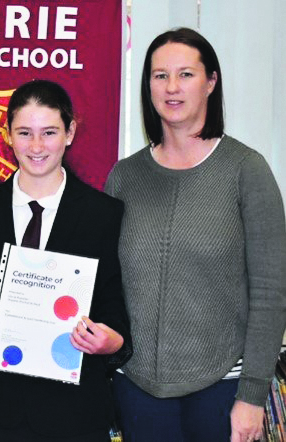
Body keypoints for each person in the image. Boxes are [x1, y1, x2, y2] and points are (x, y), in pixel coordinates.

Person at [104, 27, 286, 442]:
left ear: (211, 82)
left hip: (224, 389)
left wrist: (253, 396)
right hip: (137, 390)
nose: (171, 87)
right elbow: (105, 282)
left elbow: (271, 292)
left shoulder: (246, 169)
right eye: (159, 74)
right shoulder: (124, 177)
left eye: (185, 74)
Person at [0, 79, 132, 442]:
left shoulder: (103, 214)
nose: (37, 146)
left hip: (75, 411)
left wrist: (109, 341)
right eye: (25, 132)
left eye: (49, 132)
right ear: (8, 134)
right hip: (0, 411)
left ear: (70, 132)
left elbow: (114, 308)